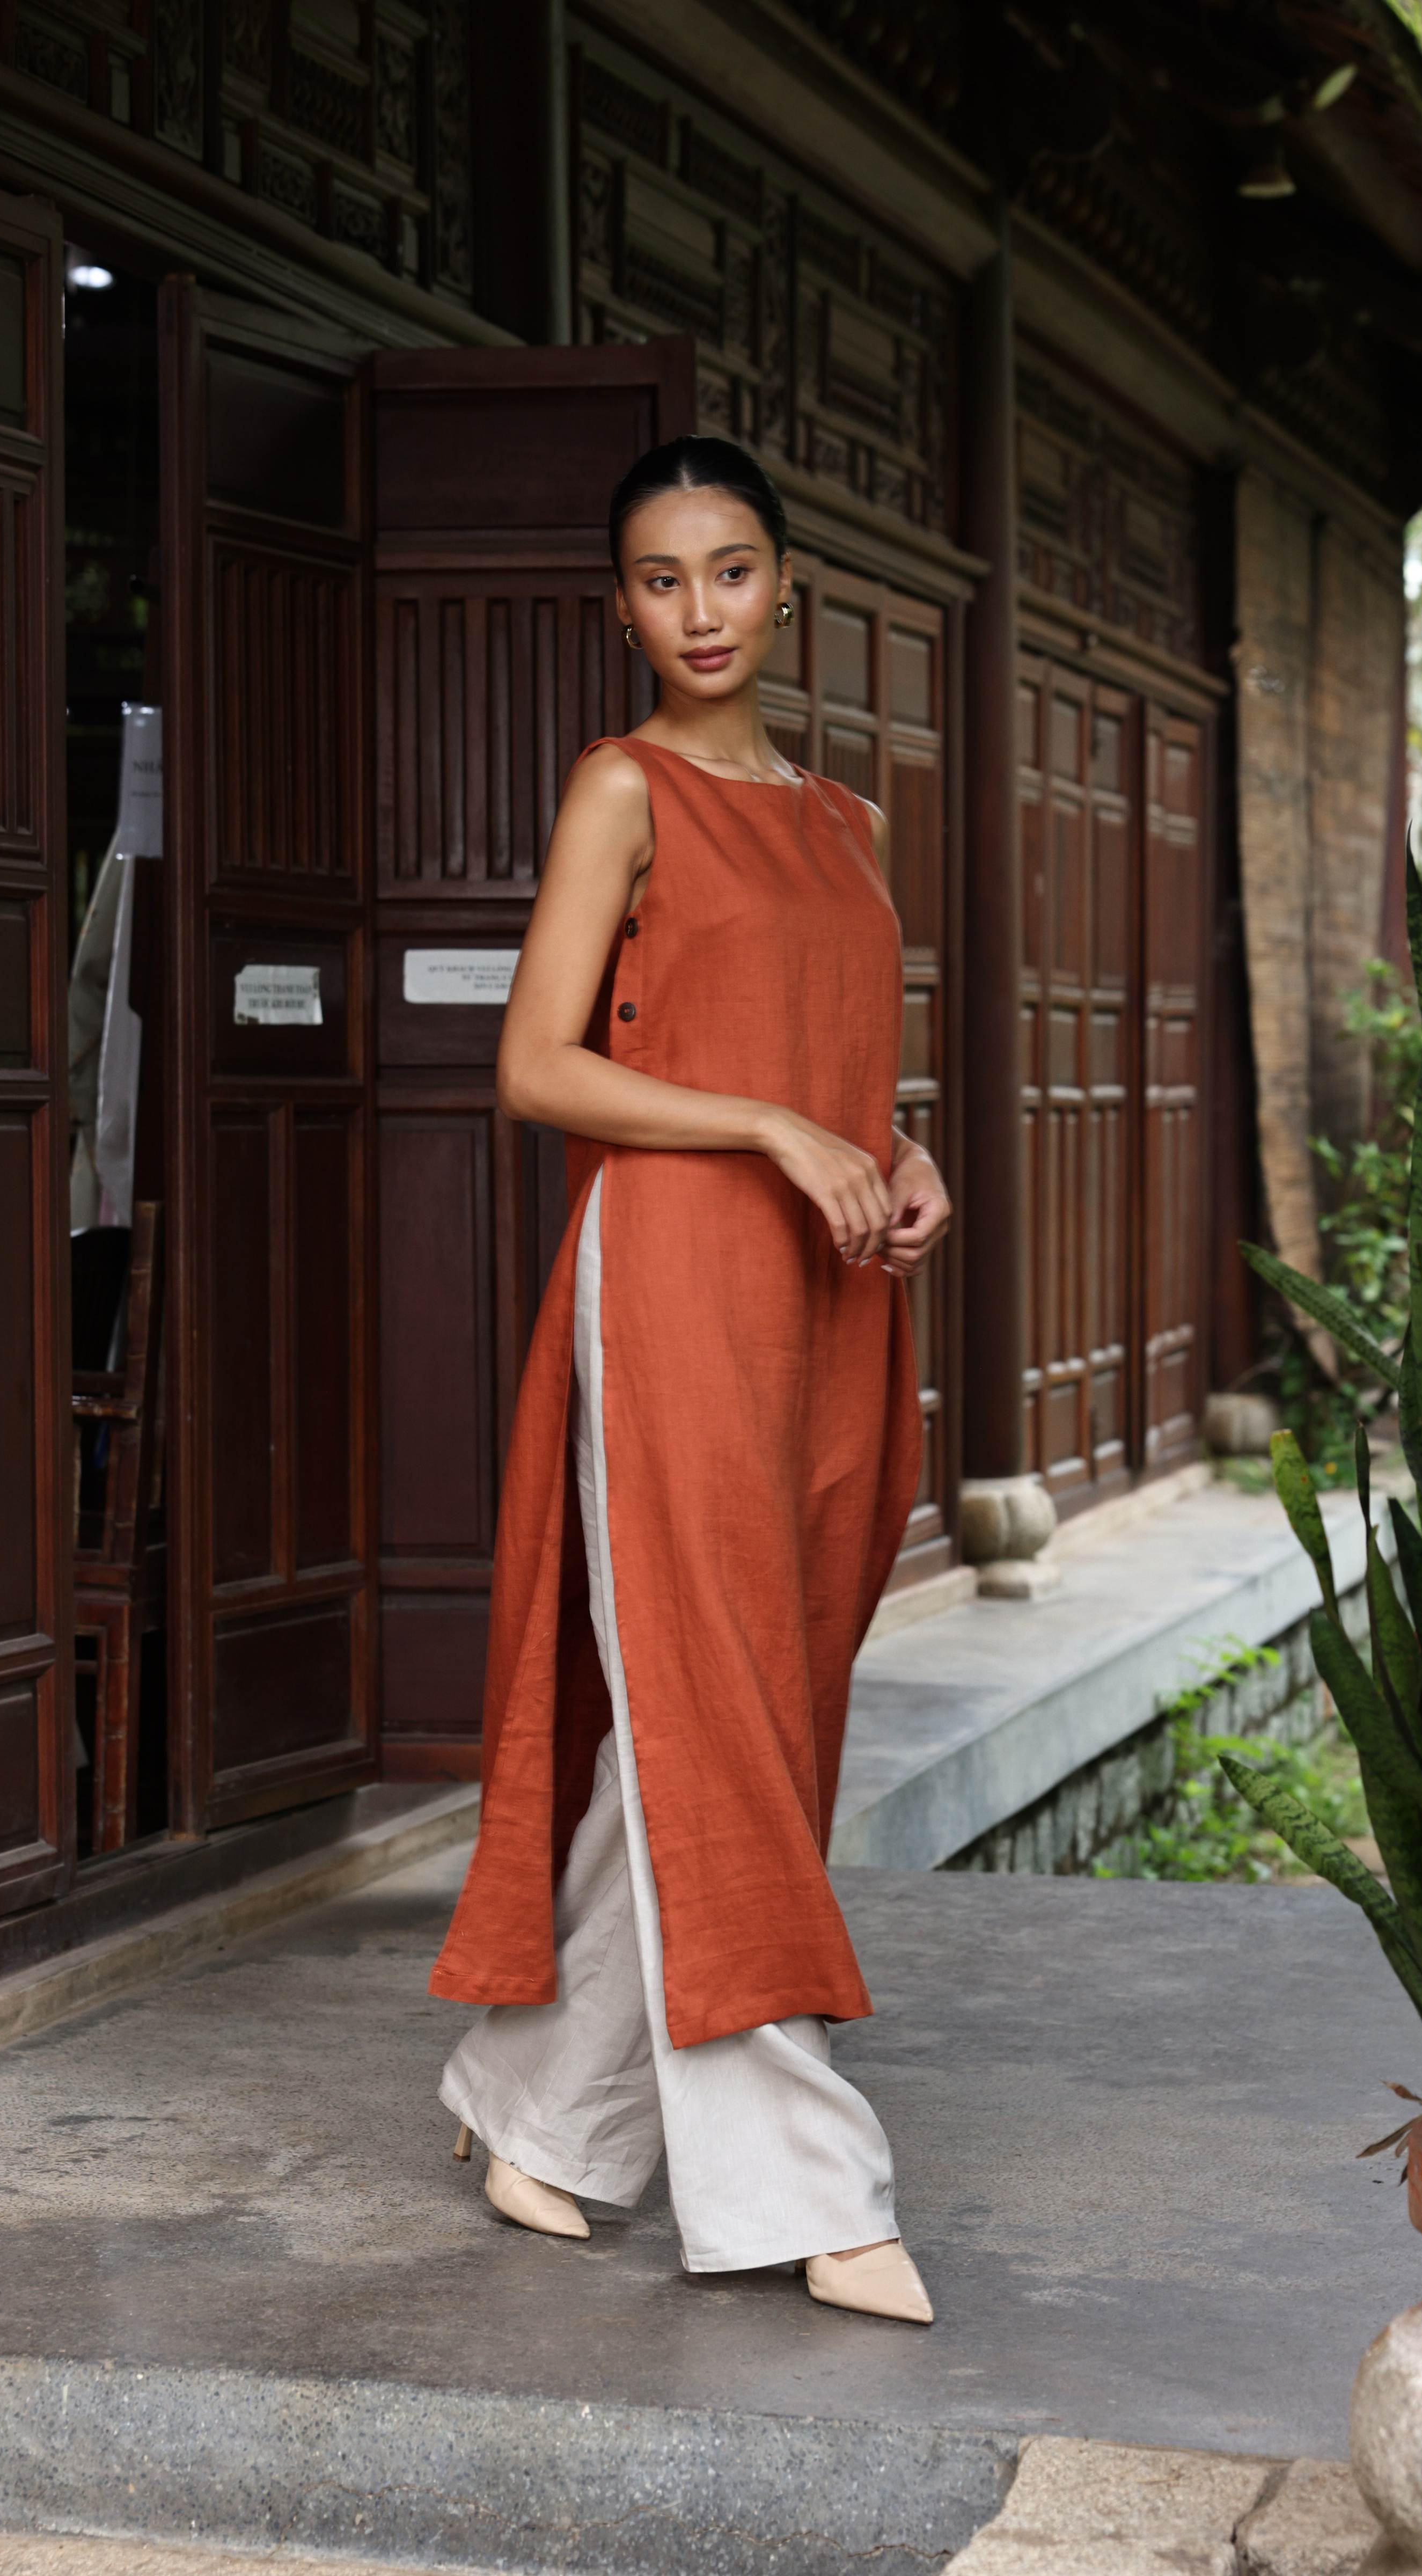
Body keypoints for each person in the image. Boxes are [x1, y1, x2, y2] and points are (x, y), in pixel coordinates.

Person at [428, 434, 952, 2325]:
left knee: (751, 1705)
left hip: (830, 1301)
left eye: (732, 571)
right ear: (624, 606)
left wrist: (899, 1160)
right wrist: (761, 1128)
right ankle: (806, 2182)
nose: (700, 611)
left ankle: (541, 2114)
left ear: (786, 583)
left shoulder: (847, 821)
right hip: (668, 1286)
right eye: (662, 580)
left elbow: (838, 1066)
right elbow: (538, 1068)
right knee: (708, 1693)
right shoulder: (620, 791)